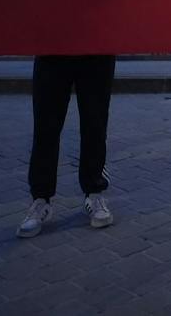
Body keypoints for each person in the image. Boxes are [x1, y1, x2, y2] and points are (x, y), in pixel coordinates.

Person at [17, 52, 118, 237]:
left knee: (95, 123)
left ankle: (94, 192)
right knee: (45, 126)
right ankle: (40, 198)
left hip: (97, 47)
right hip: (52, 46)